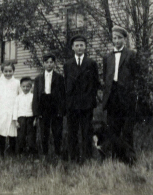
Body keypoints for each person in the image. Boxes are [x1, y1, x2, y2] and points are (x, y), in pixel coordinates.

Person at [101, 26, 139, 150]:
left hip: (126, 95)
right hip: (112, 96)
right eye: (114, 38)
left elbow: (135, 74)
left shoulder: (131, 55)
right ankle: (115, 155)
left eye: (119, 38)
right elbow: (106, 76)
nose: (117, 41)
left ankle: (129, 156)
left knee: (127, 128)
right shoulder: (107, 57)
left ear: (124, 39)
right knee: (112, 127)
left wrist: (131, 91)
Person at [64, 34, 99, 163]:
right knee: (72, 132)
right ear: (72, 47)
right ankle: (73, 158)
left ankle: (87, 157)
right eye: (77, 46)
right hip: (72, 105)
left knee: (86, 131)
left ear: (85, 47)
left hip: (86, 104)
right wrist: (68, 102)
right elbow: (67, 85)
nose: (79, 48)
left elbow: (95, 83)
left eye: (82, 45)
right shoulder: (68, 64)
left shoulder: (91, 63)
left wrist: (91, 99)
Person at [32, 53, 65, 157]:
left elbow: (62, 95)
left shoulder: (59, 77)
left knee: (57, 130)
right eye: (47, 62)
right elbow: (36, 96)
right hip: (44, 104)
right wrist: (37, 112)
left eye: (51, 62)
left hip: (55, 104)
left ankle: (57, 152)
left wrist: (61, 110)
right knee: (44, 131)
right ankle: (45, 152)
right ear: (43, 64)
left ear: (54, 64)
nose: (49, 64)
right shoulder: (38, 79)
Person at [0, 62, 20, 157]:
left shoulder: (17, 83)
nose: (8, 73)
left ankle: (12, 151)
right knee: (1, 131)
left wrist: (17, 112)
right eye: (5, 71)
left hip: (12, 110)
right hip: (2, 110)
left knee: (12, 131)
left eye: (10, 71)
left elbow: (19, 97)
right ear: (2, 71)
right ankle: (2, 151)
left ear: (13, 71)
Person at [13, 77, 36, 156]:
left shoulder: (33, 97)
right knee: (21, 135)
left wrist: (35, 119)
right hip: (21, 118)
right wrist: (15, 120)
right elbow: (15, 109)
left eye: (28, 86)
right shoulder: (18, 97)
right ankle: (20, 152)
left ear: (31, 87)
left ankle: (31, 151)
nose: (25, 88)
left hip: (30, 117)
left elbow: (35, 108)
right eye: (24, 86)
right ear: (21, 86)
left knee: (31, 135)